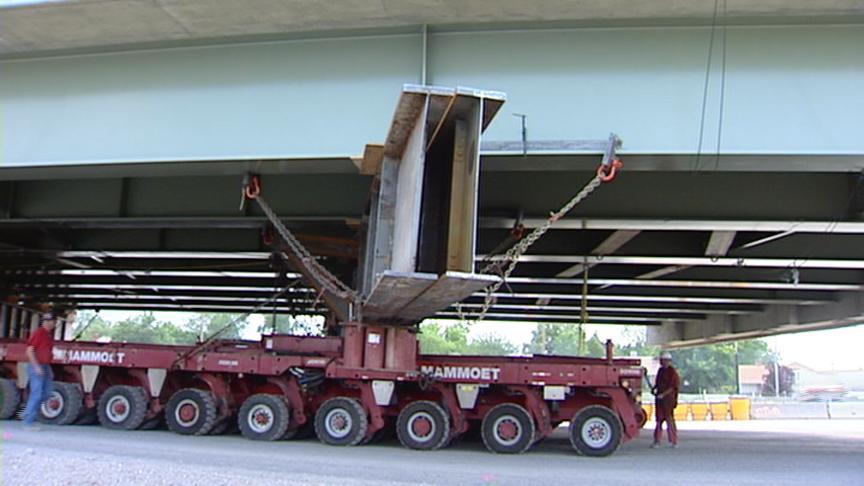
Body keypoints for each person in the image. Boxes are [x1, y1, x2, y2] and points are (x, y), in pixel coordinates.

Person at [23, 313, 56, 430]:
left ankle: (29, 414)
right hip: (37, 365)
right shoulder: (39, 333)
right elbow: (29, 350)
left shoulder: (48, 335)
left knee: (46, 393)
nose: (54, 323)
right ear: (47, 322)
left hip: (45, 366)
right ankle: (28, 421)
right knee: (37, 393)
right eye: (52, 321)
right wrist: (36, 366)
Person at [651, 351, 680, 448]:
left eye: (663, 360)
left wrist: (663, 395)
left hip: (668, 400)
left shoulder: (672, 372)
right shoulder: (660, 371)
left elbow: (672, 387)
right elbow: (658, 384)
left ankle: (673, 441)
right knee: (659, 420)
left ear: (668, 361)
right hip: (660, 400)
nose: (661, 362)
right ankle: (657, 441)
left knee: (669, 420)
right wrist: (654, 389)